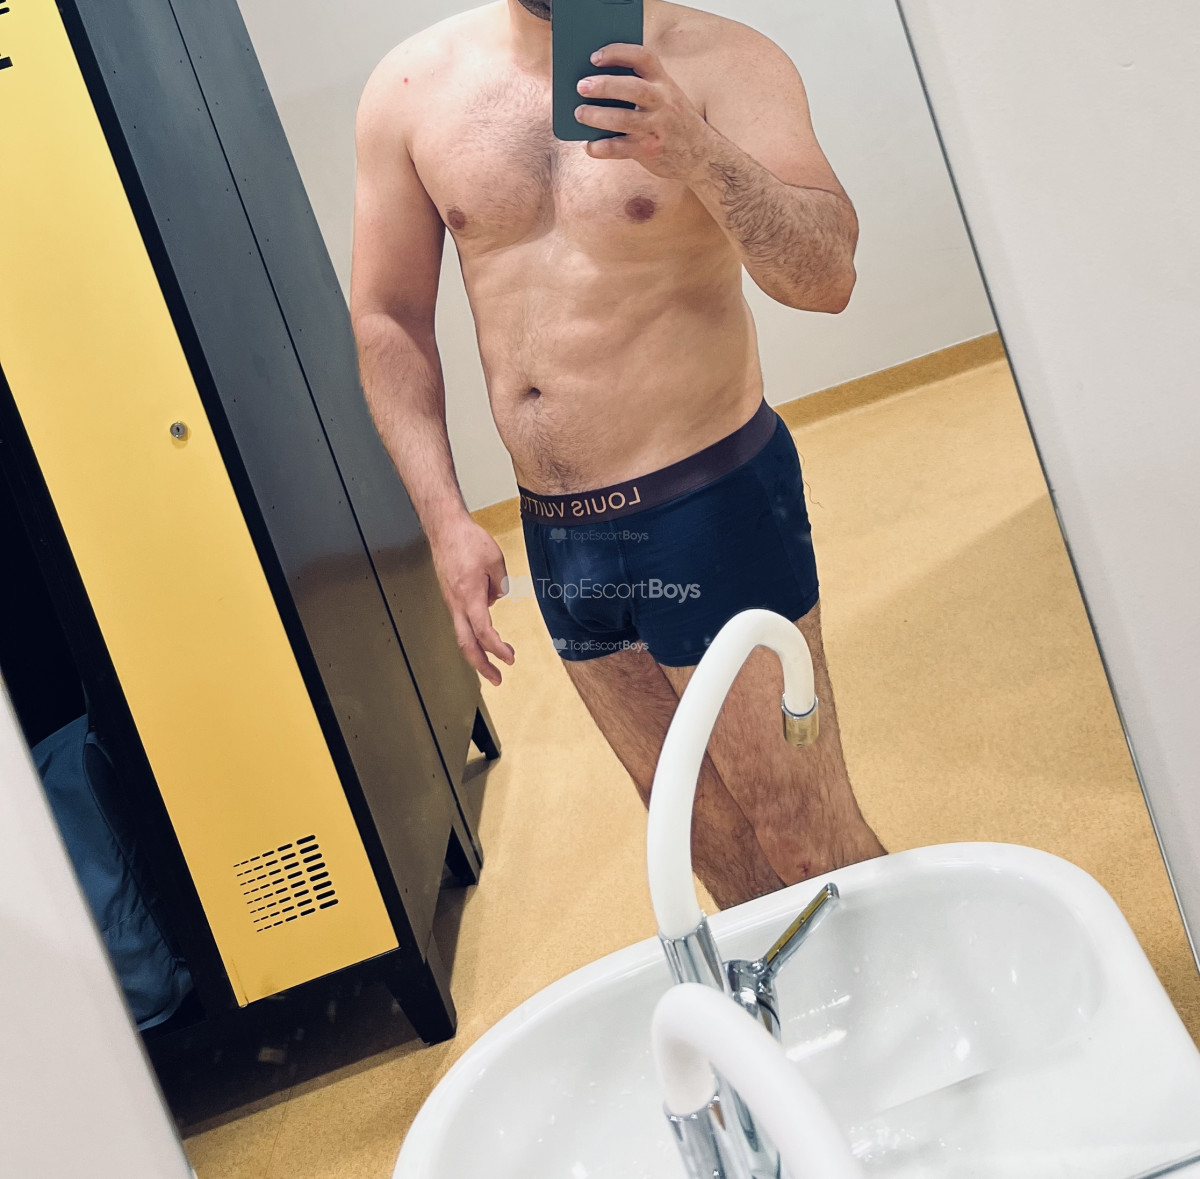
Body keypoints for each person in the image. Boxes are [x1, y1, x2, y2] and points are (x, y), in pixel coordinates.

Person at [351, 0, 885, 909]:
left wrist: (698, 153)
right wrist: (445, 522)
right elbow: (387, 318)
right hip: (562, 538)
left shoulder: (722, 60)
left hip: (710, 505)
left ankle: (914, 995)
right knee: (702, 835)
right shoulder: (410, 88)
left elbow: (826, 277)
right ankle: (791, 1004)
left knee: (805, 838)